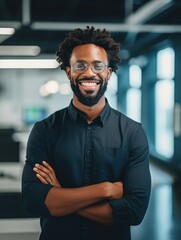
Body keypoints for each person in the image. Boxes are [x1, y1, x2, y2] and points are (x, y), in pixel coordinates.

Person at [21, 26, 151, 240]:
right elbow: (33, 200)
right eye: (80, 65)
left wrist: (60, 194)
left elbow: (134, 211)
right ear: (68, 71)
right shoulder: (44, 130)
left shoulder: (132, 133)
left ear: (108, 72)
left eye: (97, 66)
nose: (89, 73)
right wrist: (106, 190)